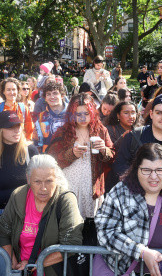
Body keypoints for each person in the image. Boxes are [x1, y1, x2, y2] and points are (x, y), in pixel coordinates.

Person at [95, 143, 162, 276]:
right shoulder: (120, 193)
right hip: (123, 271)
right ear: (137, 169)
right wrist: (141, 252)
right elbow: (106, 231)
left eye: (160, 170)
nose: (153, 177)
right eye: (146, 170)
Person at [0, 155, 84, 275]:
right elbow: (3, 231)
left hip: (54, 271)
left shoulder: (65, 200)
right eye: (37, 181)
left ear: (56, 179)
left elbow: (71, 243)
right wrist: (14, 263)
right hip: (22, 270)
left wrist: (36, 264)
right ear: (28, 179)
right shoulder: (18, 195)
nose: (43, 188)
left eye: (49, 181)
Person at [47, 93, 114, 245]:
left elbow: (111, 157)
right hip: (69, 186)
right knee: (70, 227)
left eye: (86, 113)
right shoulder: (63, 132)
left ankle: (88, 263)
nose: (83, 118)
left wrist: (104, 150)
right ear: (72, 114)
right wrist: (71, 154)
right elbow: (52, 159)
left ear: (93, 113)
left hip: (92, 188)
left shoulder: (100, 130)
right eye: (78, 114)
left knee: (91, 231)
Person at [0, 110, 39, 275]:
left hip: (28, 217)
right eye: (10, 127)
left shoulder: (30, 151)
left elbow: (38, 188)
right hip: (0, 218)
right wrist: (25, 188)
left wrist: (4, 193)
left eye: (18, 126)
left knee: (29, 269)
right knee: (8, 271)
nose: (16, 130)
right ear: (0, 130)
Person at [33, 82, 68, 153]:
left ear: (62, 96)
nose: (52, 97)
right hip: (49, 158)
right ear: (45, 98)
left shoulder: (74, 112)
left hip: (71, 157)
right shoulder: (40, 117)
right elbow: (38, 143)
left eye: (55, 93)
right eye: (48, 94)